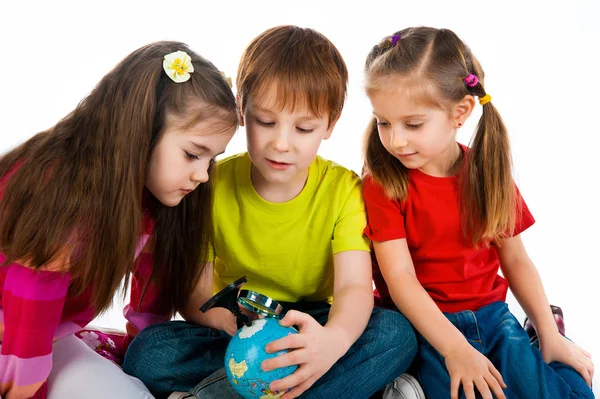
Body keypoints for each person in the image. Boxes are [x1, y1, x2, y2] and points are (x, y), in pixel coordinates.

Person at [123, 25, 417, 399]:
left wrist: (333, 341)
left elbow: (354, 287)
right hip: (238, 329)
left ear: (330, 124)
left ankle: (212, 395)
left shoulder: (345, 191)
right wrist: (230, 323)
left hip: (314, 324)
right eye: (266, 122)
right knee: (147, 354)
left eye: (303, 128)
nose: (281, 144)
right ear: (241, 109)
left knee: (395, 334)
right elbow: (195, 293)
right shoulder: (209, 183)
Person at [361, 26, 595, 399]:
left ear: (461, 112)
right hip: (425, 326)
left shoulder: (486, 174)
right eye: (384, 122)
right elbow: (401, 279)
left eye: (413, 124)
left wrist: (549, 336)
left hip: (492, 317)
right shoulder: (383, 184)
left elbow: (515, 259)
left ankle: (544, 331)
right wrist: (455, 349)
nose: (396, 139)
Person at [0, 41, 238, 399]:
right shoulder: (68, 194)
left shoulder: (150, 198)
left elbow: (151, 288)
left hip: (41, 336)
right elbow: (27, 306)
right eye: (192, 155)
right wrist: (26, 391)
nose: (203, 175)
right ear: (142, 131)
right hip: (17, 332)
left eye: (211, 160)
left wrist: (137, 354)